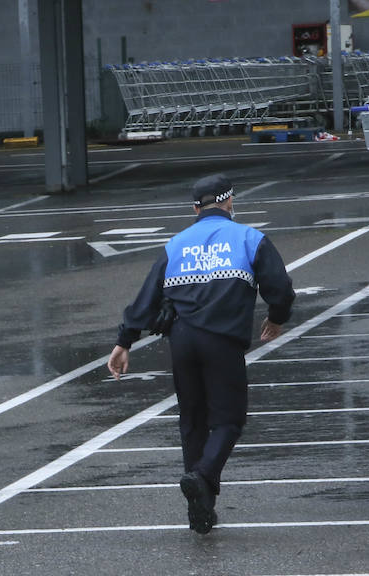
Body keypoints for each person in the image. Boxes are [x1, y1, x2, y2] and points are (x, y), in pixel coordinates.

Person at [106, 173, 295, 534]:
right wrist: (276, 317)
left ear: (195, 208)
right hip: (222, 340)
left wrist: (124, 341)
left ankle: (202, 509)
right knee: (227, 420)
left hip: (182, 340)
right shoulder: (248, 238)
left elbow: (146, 297)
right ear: (229, 202)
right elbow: (280, 288)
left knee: (192, 421)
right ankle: (202, 475)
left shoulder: (176, 244)